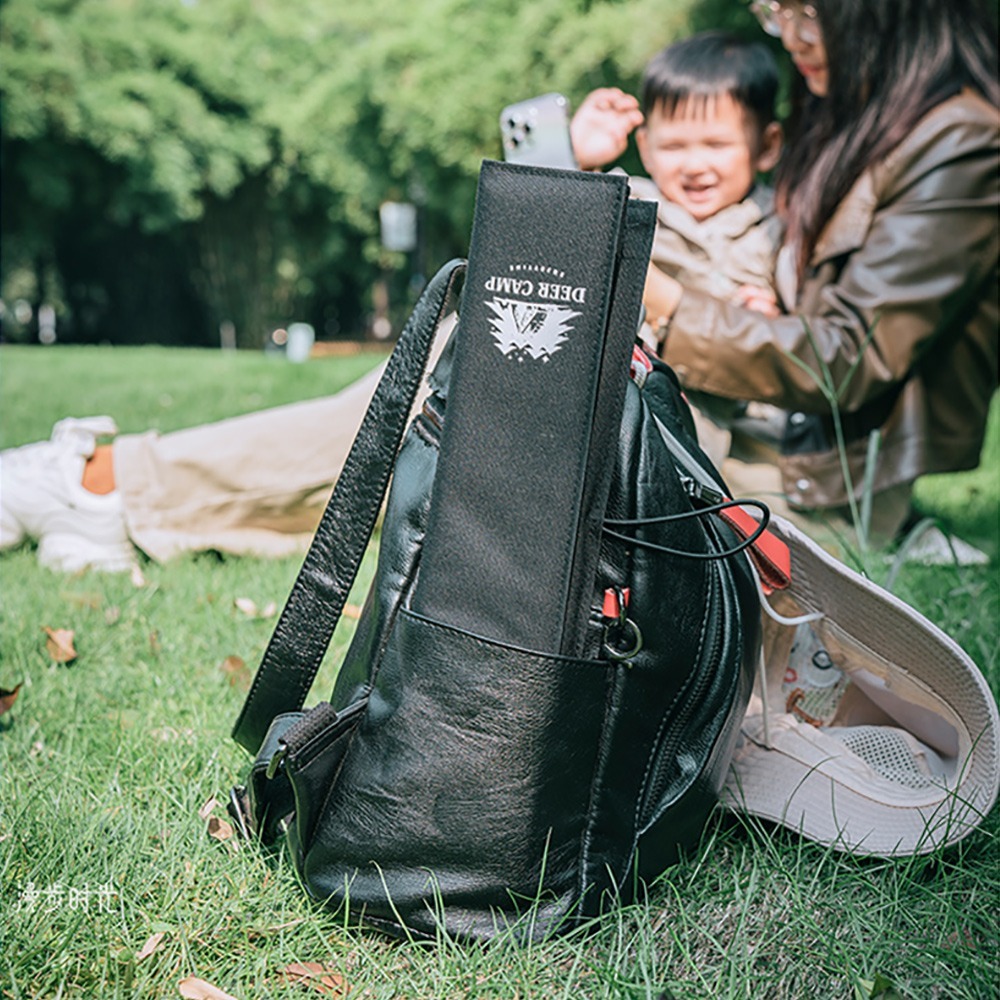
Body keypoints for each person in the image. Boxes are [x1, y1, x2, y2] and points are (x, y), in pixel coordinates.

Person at [0, 32, 785, 574]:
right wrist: (573, 159)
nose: (695, 166)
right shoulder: (630, 194)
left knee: (392, 456)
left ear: (767, 146)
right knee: (387, 447)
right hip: (545, 379)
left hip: (634, 437)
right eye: (674, 145)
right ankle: (107, 500)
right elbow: (529, 229)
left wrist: (757, 313)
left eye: (716, 145)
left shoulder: (776, 239)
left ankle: (107, 490)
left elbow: (780, 369)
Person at [575, 0, 998, 549]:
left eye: (811, 11)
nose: (793, 36)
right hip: (758, 421)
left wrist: (662, 299)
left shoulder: (961, 141)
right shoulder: (849, 108)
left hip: (812, 471)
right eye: (776, 12)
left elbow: (844, 359)